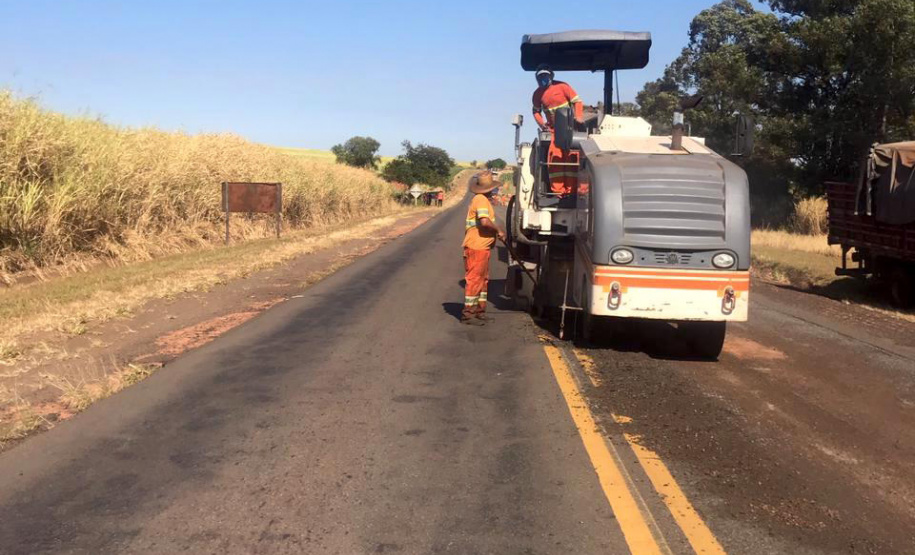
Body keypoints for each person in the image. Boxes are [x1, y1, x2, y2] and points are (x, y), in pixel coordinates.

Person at [531, 64, 583, 196]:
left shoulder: (563, 87)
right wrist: (542, 124)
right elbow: (536, 112)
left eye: (545, 76)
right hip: (554, 131)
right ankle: (558, 191)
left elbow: (577, 102)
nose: (543, 79)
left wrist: (579, 117)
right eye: (540, 77)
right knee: (555, 158)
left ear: (551, 76)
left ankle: (572, 191)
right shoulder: (537, 94)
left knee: (572, 158)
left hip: (570, 129)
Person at [462, 171, 505, 325]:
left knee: (483, 280)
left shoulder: (483, 200)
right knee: (474, 280)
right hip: (476, 247)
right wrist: (498, 230)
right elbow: (485, 222)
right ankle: (468, 314)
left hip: (482, 247)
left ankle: (480, 311)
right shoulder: (480, 200)